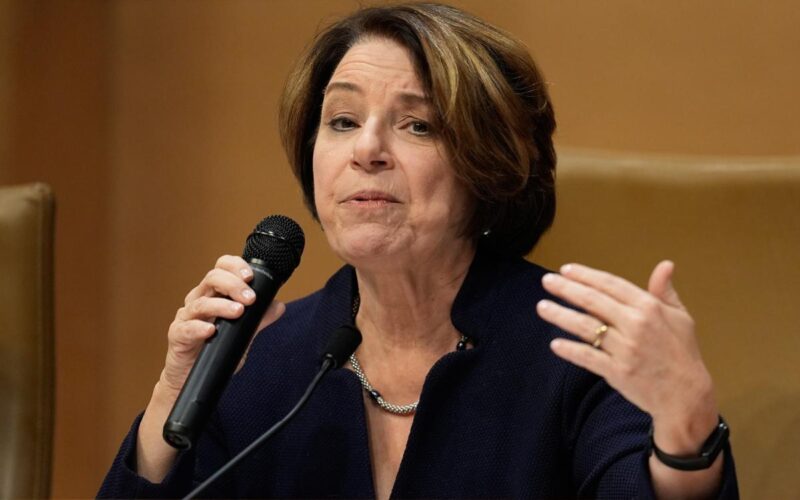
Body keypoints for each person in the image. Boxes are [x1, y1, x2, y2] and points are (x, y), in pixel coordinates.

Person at [99, 3, 738, 498]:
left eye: (417, 125)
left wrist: (687, 432)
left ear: (488, 166)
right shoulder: (259, 360)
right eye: (342, 121)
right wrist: (174, 394)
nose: (366, 150)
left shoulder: (575, 350)